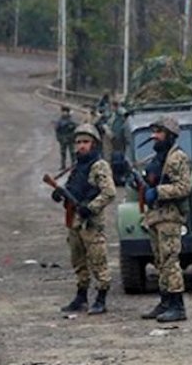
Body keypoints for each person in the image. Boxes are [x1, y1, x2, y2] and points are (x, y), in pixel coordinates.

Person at [51, 123, 117, 315]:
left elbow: (109, 193)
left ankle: (101, 298)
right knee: (78, 260)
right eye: (78, 142)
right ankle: (81, 297)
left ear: (94, 144)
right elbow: (73, 189)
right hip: (75, 221)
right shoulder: (78, 166)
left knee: (98, 261)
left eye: (85, 142)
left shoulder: (99, 165)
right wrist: (59, 194)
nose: (81, 146)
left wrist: (91, 208)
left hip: (91, 223)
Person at [141, 115, 191, 322]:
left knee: (170, 261)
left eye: (159, 132)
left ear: (170, 135)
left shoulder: (177, 157)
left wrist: (158, 191)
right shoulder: (158, 158)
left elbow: (184, 187)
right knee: (160, 261)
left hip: (170, 216)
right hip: (155, 216)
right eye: (153, 132)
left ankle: (177, 306)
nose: (155, 136)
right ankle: (165, 302)